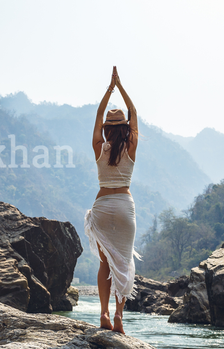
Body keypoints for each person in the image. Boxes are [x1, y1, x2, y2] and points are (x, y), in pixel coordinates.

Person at [84, 66, 140, 335]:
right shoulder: (131, 147)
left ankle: (104, 313)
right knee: (124, 262)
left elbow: (97, 115)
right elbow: (134, 114)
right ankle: (119, 316)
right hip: (125, 207)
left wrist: (110, 88)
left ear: (107, 129)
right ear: (125, 128)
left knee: (105, 263)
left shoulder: (98, 147)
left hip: (102, 207)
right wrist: (122, 87)